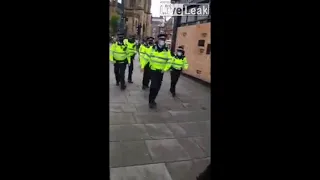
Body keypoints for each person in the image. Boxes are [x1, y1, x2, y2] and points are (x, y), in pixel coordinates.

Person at [144, 34, 172, 109]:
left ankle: (153, 99)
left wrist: (165, 69)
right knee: (153, 86)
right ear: (158, 40)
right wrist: (143, 66)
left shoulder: (167, 51)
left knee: (158, 87)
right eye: (161, 40)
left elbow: (169, 60)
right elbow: (146, 57)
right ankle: (151, 101)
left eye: (163, 40)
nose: (162, 41)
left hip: (161, 72)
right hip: (153, 70)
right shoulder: (152, 48)